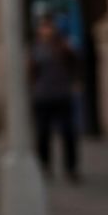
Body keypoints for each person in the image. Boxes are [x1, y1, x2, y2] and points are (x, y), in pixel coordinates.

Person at [30, 20, 82, 182]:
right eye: (43, 28)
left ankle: (71, 168)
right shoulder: (36, 49)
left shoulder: (64, 46)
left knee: (68, 132)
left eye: (49, 28)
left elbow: (75, 65)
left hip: (62, 95)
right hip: (43, 96)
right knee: (43, 133)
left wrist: (75, 82)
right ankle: (45, 166)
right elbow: (31, 72)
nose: (46, 31)